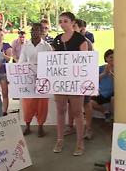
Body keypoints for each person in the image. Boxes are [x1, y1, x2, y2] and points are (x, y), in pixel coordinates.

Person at [52, 12, 88, 156]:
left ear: (72, 22)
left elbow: (85, 61)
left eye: (65, 21)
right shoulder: (56, 39)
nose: (62, 24)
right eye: (60, 21)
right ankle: (60, 140)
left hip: (76, 82)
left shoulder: (80, 39)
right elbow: (53, 61)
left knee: (77, 112)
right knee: (60, 111)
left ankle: (80, 143)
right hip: (60, 82)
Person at [19, 23, 52, 137]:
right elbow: (21, 62)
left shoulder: (47, 47)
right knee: (28, 104)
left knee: (42, 105)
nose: (35, 32)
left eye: (38, 30)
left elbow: (51, 63)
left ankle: (40, 127)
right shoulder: (26, 45)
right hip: (28, 79)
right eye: (33, 30)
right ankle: (27, 126)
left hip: (42, 80)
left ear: (42, 32)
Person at [84, 49, 114, 138]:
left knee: (114, 99)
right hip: (101, 92)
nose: (113, 59)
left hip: (112, 93)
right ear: (106, 59)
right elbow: (94, 80)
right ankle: (105, 112)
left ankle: (113, 121)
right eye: (110, 57)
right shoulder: (101, 68)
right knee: (90, 102)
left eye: (114, 57)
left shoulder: (119, 69)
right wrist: (104, 73)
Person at [0, 28, 13, 116]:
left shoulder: (7, 45)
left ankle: (4, 111)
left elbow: (9, 58)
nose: (0, 37)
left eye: (1, 35)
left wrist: (2, 55)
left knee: (5, 93)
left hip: (4, 72)